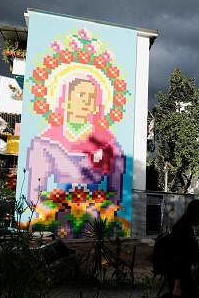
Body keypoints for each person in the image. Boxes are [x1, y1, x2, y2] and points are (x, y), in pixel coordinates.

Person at [26, 75, 125, 205]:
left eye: (91, 97)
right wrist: (51, 211)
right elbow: (35, 192)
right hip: (55, 213)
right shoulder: (45, 142)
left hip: (93, 216)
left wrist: (103, 210)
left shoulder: (108, 144)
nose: (86, 101)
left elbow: (115, 192)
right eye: (81, 95)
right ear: (66, 102)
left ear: (96, 106)